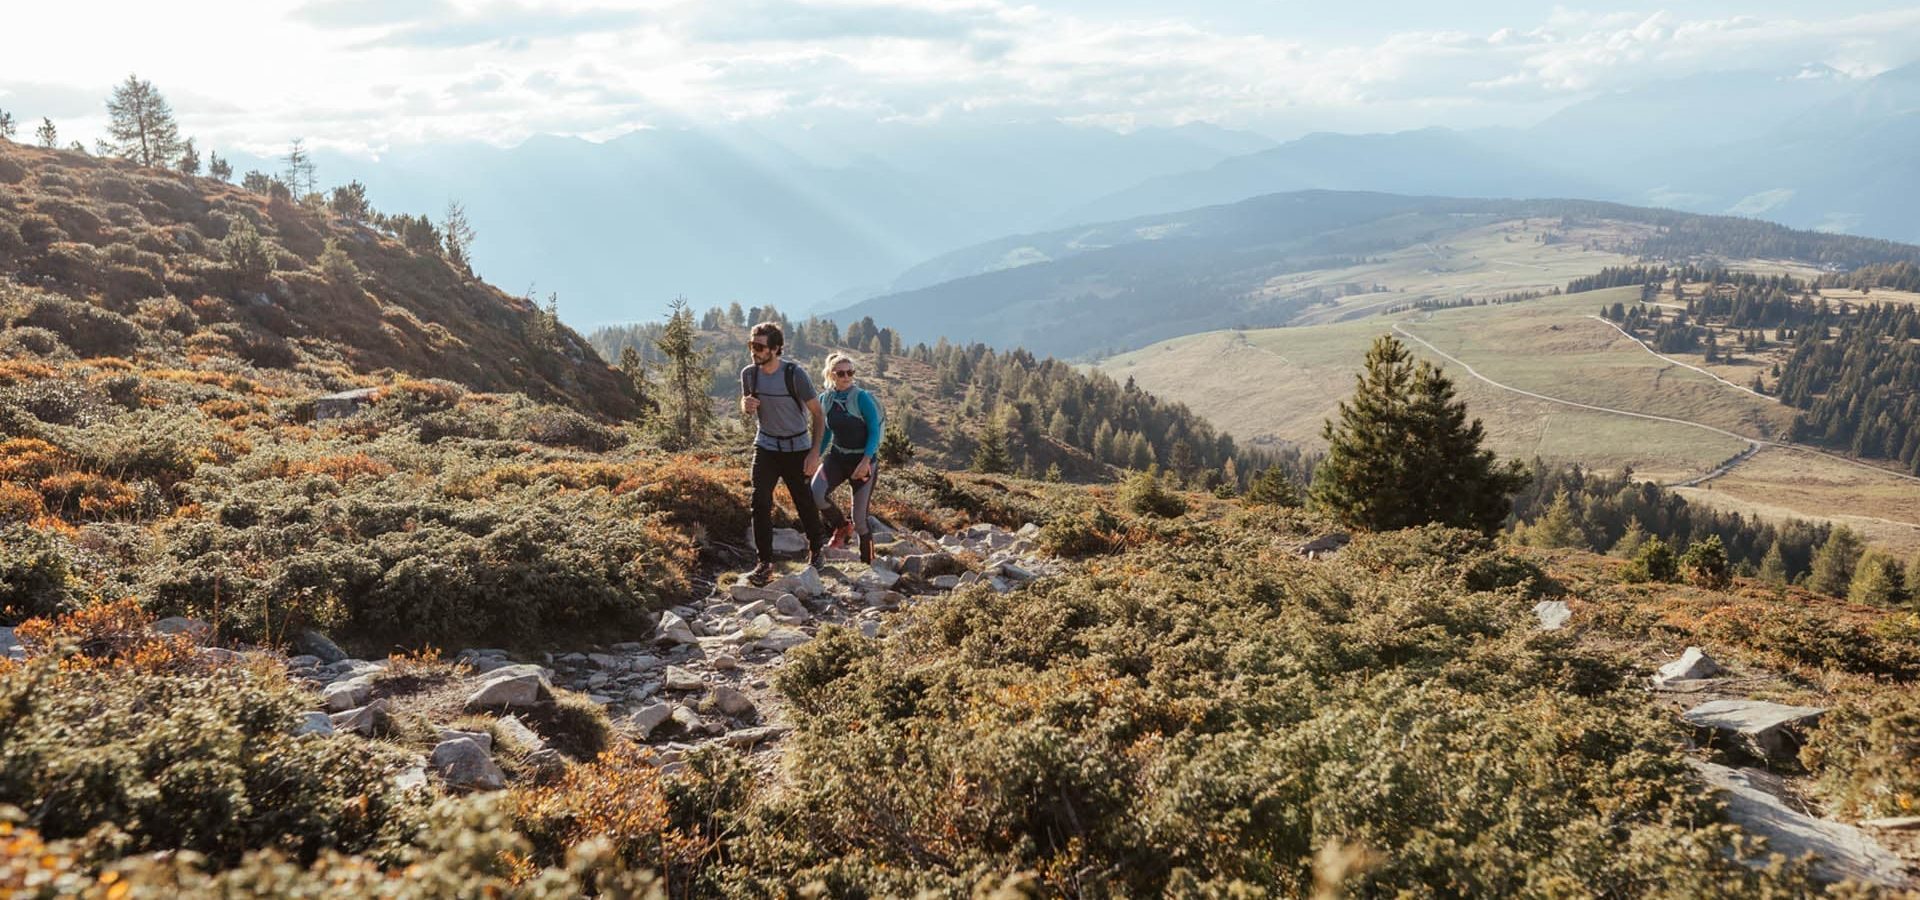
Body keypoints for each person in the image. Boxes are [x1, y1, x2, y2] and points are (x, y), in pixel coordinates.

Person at [739, 322, 826, 583]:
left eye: (759, 346)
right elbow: (748, 408)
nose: (754, 351)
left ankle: (817, 549)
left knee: (804, 501)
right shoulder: (749, 374)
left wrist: (814, 453)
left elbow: (818, 415)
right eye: (751, 345)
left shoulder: (794, 375)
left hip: (796, 449)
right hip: (765, 445)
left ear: (776, 349)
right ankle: (764, 562)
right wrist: (745, 406)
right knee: (759, 501)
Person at [810, 352, 884, 563]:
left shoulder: (861, 398)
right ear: (831, 375)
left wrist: (866, 461)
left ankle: (868, 563)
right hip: (837, 457)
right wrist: (815, 455)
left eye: (850, 372)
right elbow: (825, 433)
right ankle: (842, 526)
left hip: (863, 461)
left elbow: (873, 432)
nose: (846, 377)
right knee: (816, 494)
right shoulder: (826, 399)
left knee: (860, 519)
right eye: (841, 373)